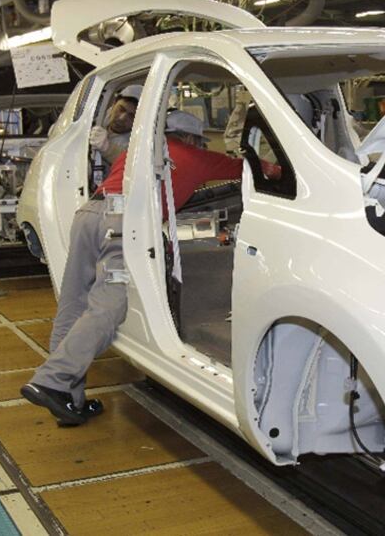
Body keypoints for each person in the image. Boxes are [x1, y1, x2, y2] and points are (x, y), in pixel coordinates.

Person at [21, 109, 273, 425]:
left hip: (89, 216)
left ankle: (69, 400)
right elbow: (251, 169)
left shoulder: (138, 151)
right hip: (122, 225)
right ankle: (52, 381)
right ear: (192, 138)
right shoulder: (196, 155)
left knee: (72, 304)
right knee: (108, 306)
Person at [88, 85, 142, 164]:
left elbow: (131, 163)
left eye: (131, 116)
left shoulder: (135, 142)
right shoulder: (102, 114)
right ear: (113, 104)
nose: (121, 118)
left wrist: (107, 148)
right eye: (121, 109)